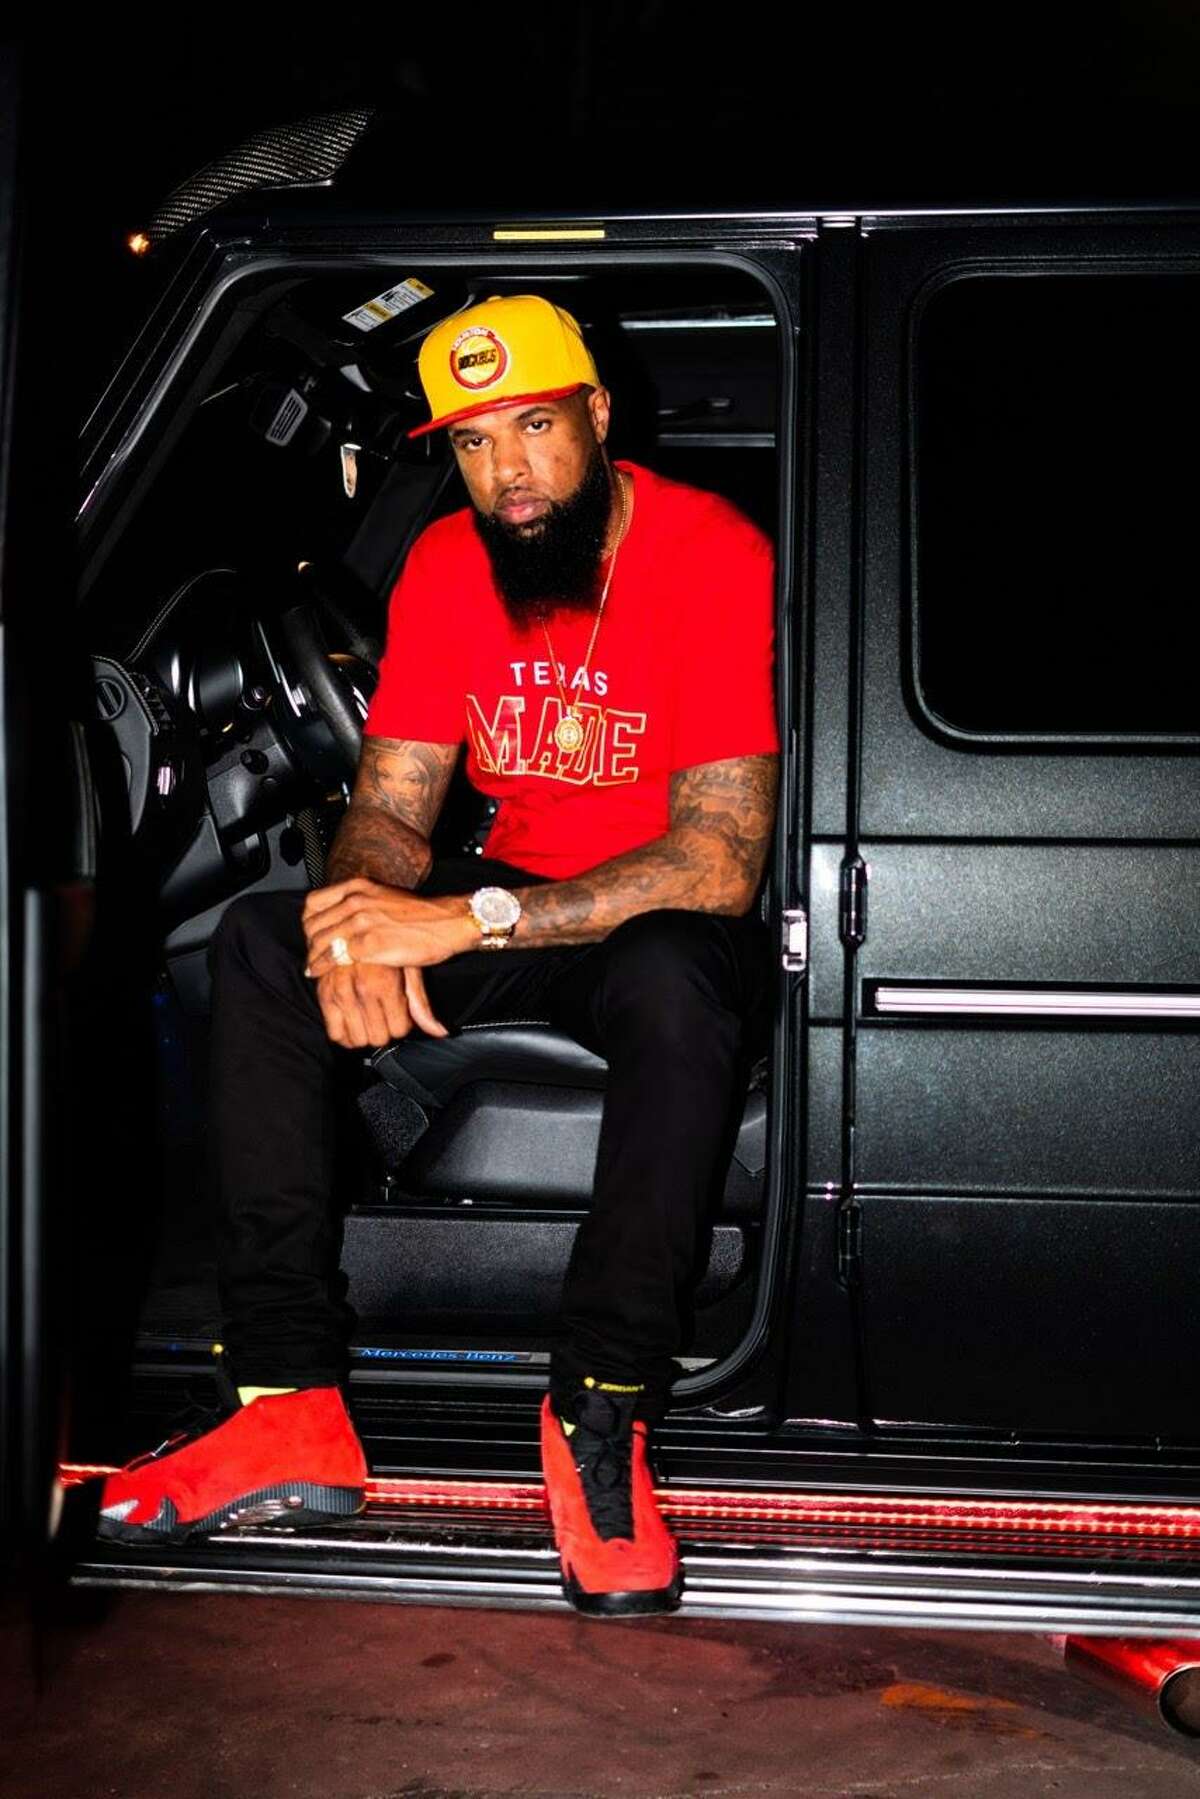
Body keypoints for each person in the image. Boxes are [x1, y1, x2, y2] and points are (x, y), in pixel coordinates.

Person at [97, 293, 779, 1617]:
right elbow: (395, 806)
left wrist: (462, 921)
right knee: (266, 939)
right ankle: (287, 1403)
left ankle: (600, 1410)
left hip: (653, 918)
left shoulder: (709, 551)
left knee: (676, 977)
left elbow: (717, 861)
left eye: (534, 428)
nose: (507, 473)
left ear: (598, 415)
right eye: (472, 443)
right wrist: (357, 916)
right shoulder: (451, 564)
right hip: (519, 899)